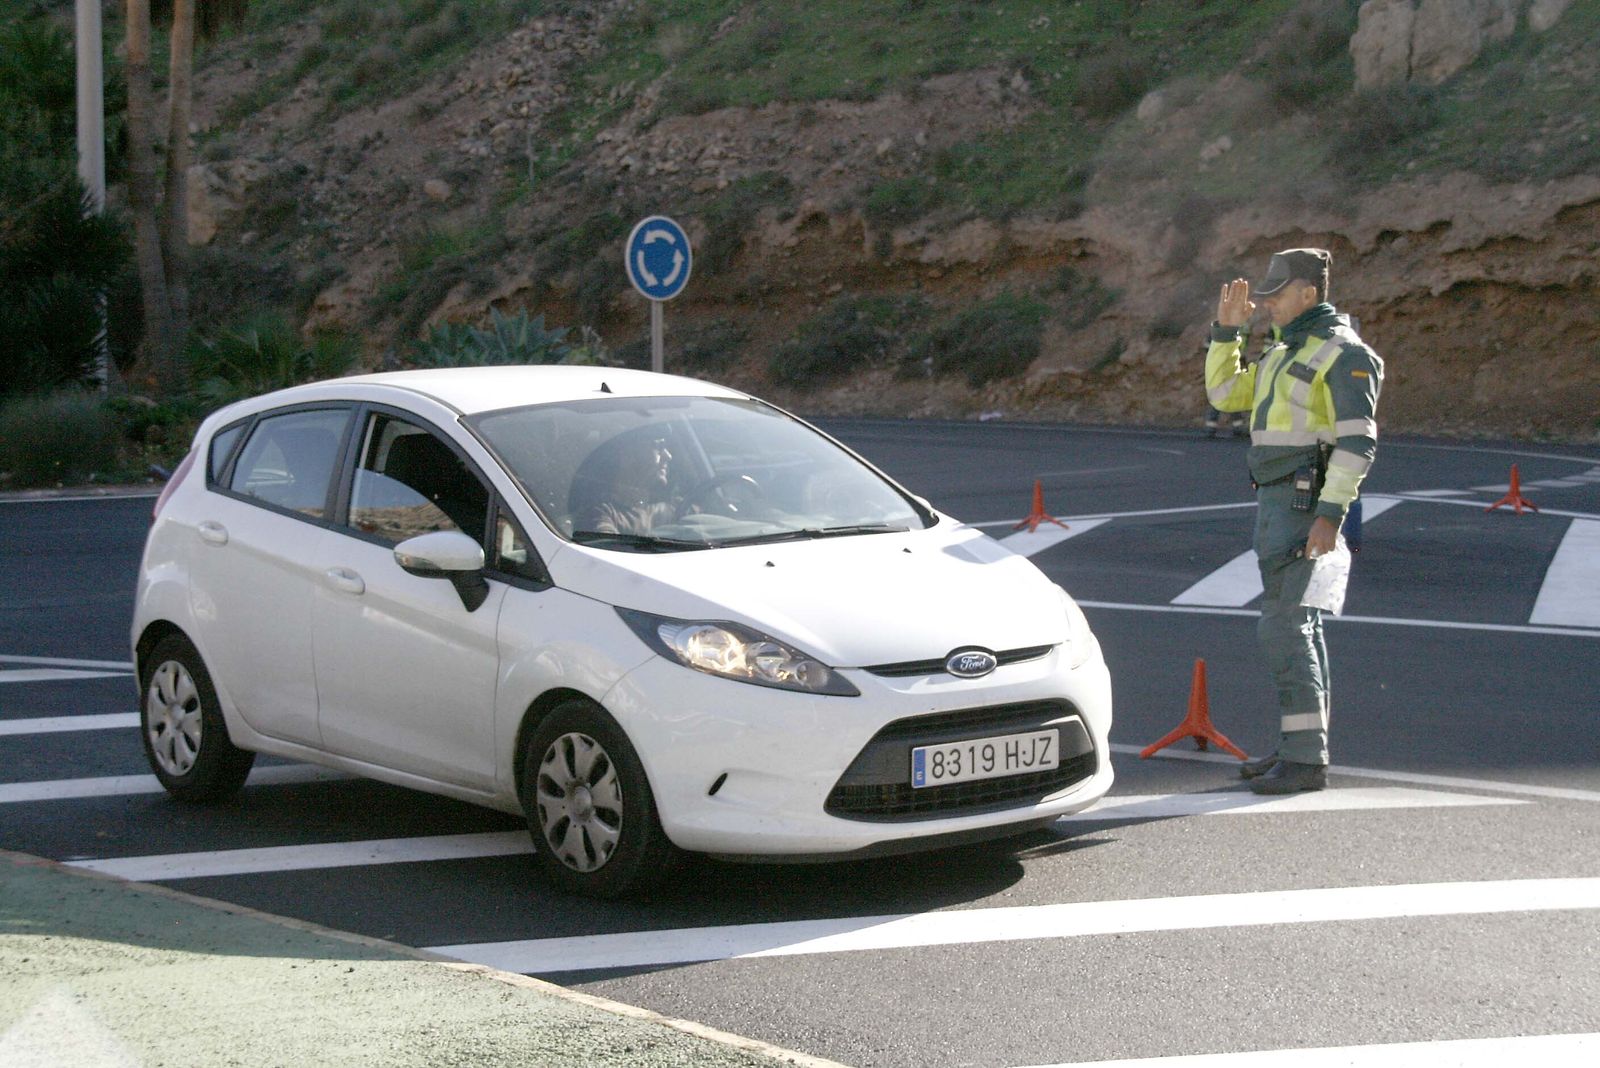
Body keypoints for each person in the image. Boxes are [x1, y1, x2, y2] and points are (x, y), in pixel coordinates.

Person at [1204, 248, 1384, 794]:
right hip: (1279, 503)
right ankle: (1300, 748)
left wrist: (1331, 516)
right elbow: (1224, 394)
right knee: (1299, 625)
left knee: (1283, 628)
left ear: (1310, 293)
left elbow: (1358, 444)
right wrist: (1226, 334)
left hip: (1306, 506)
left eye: (1277, 294)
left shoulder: (1344, 354)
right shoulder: (1284, 353)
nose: (1267, 304)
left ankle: (1305, 761)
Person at [580, 434, 678, 536]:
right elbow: (609, 546)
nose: (668, 456)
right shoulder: (599, 513)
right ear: (627, 456)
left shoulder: (670, 509)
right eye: (659, 447)